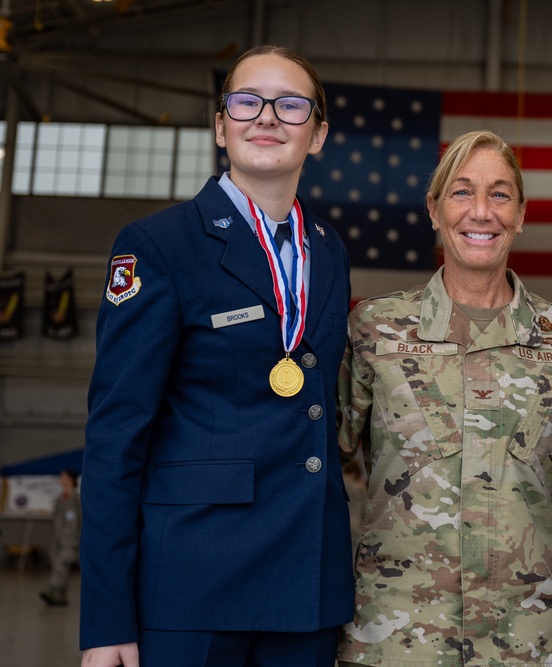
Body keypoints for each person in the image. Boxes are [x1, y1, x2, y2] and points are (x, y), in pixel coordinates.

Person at [79, 45, 354, 667]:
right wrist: (106, 617)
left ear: (318, 135)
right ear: (219, 124)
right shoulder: (158, 245)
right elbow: (116, 437)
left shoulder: (329, 250)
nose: (267, 117)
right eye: (245, 101)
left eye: (291, 105)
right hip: (191, 587)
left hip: (306, 583)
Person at [337, 130, 552, 666]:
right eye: (461, 192)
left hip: (532, 641)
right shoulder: (374, 328)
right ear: (433, 209)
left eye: (499, 194)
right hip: (399, 640)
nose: (481, 211)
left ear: (521, 214)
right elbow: (312, 465)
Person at [39, 469, 82, 607]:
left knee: (62, 566)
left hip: (71, 540)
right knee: (57, 563)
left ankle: (53, 590)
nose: (61, 479)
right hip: (58, 538)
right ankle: (60, 596)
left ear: (70, 479)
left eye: (63, 477)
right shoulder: (60, 498)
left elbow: (80, 520)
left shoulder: (77, 499)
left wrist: (78, 540)